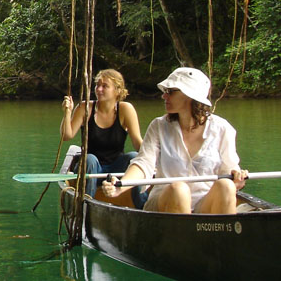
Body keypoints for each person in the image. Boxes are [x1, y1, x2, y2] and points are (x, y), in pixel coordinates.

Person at [100, 67, 248, 214]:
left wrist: (236, 178)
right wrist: (121, 186)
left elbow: (228, 170)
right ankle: (181, 236)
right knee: (179, 189)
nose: (164, 96)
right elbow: (144, 163)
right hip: (164, 200)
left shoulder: (222, 128)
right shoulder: (158, 126)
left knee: (226, 186)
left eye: (170, 92)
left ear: (190, 95)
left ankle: (221, 236)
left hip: (204, 203)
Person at [60, 69, 144, 207]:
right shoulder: (84, 107)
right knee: (90, 159)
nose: (99, 89)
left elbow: (137, 143)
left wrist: (154, 160)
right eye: (97, 85)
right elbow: (66, 136)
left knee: (134, 157)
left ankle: (142, 207)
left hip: (115, 170)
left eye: (105, 86)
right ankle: (88, 205)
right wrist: (67, 112)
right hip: (90, 169)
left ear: (117, 90)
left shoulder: (125, 109)